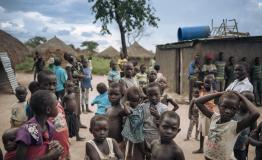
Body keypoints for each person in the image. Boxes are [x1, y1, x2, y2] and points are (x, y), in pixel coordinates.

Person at [195, 91, 260, 160]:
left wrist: (241, 96)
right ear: (219, 106)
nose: (228, 111)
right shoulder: (214, 117)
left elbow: (255, 114)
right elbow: (198, 101)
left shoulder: (235, 126)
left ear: (237, 110)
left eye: (233, 108)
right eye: (224, 106)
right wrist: (219, 94)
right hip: (208, 157)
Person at [15, 90, 64, 160]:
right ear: (48, 110)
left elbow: (44, 148)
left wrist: (53, 146)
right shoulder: (26, 131)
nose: (59, 106)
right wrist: (49, 156)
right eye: (56, 104)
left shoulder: (50, 127)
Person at [37, 70, 70, 159]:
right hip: (50, 151)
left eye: (54, 84)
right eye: (47, 84)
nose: (51, 87)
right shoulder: (36, 104)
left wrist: (67, 142)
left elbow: (63, 121)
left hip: (63, 145)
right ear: (38, 85)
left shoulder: (57, 101)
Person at [142, 82, 169, 155]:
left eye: (156, 94)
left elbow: (167, 124)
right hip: (145, 138)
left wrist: (158, 116)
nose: (153, 97)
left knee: (157, 155)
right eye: (150, 95)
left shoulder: (164, 108)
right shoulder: (143, 107)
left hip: (158, 137)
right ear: (147, 95)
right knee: (147, 155)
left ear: (161, 93)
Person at [193, 75, 216, 154]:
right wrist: (204, 82)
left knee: (210, 133)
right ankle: (201, 148)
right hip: (201, 114)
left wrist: (208, 82)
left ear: (212, 84)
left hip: (207, 114)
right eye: (205, 83)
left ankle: (211, 150)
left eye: (209, 83)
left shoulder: (212, 92)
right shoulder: (202, 89)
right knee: (201, 132)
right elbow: (195, 83)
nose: (207, 84)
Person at [121, 86, 145, 160]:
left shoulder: (140, 106)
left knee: (138, 145)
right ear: (128, 100)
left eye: (137, 100)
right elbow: (128, 112)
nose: (135, 103)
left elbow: (144, 97)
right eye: (133, 101)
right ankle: (127, 156)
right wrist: (125, 105)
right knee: (126, 144)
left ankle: (142, 154)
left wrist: (142, 96)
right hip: (130, 130)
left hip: (137, 129)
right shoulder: (128, 107)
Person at [233, 91, 256, 160]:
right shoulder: (233, 113)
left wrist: (248, 139)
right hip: (229, 147)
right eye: (245, 100)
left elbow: (253, 131)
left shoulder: (251, 116)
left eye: (251, 101)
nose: (248, 103)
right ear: (239, 100)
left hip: (241, 149)